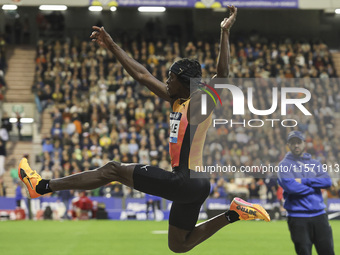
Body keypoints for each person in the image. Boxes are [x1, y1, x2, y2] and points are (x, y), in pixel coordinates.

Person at [18, 6, 270, 253]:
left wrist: (225, 32)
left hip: (185, 180)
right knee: (179, 244)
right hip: (195, 185)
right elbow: (142, 75)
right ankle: (233, 214)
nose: (166, 80)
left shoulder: (199, 105)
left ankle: (41, 186)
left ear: (184, 81)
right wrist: (112, 46)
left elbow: (222, 74)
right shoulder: (177, 100)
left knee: (112, 169)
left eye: (170, 77)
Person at [278, 131, 334, 255]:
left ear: (304, 143)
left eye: (299, 142)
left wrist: (303, 181)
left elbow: (327, 182)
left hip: (319, 216)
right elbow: (292, 188)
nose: (296, 145)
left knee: (328, 252)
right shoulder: (284, 165)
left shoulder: (315, 163)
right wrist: (313, 187)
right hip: (298, 218)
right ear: (288, 145)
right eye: (293, 143)